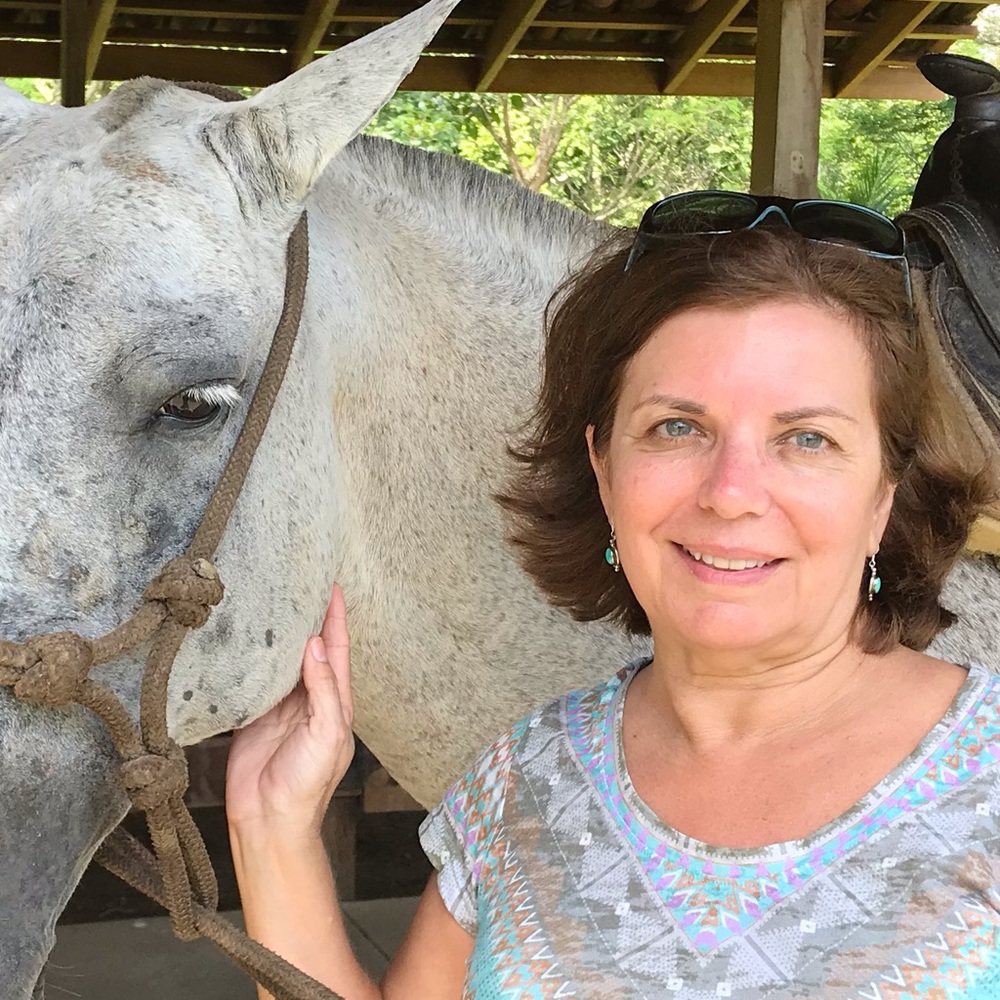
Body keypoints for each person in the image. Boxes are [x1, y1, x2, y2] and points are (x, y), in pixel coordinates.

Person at [225, 191, 1000, 999]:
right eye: (677, 428)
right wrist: (272, 828)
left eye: (807, 439)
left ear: (885, 493)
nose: (732, 492)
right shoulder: (527, 777)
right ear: (603, 469)